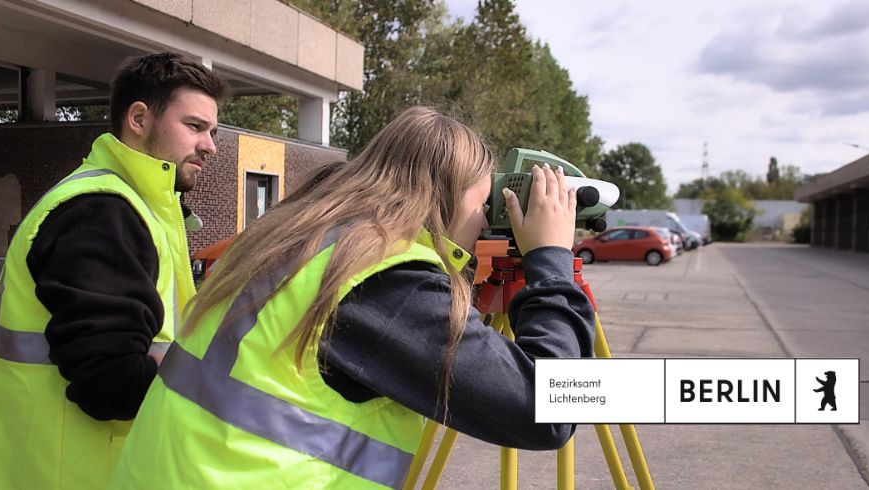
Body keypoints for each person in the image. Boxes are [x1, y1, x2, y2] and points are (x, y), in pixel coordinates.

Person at [109, 106, 596, 489]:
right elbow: (547, 408)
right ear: (446, 198)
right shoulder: (386, 280)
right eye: (483, 201)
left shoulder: (305, 240)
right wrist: (550, 258)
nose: (484, 220)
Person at [0, 52, 229, 489]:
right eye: (195, 126)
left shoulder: (128, 205)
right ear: (138, 118)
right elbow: (109, 382)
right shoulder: (102, 212)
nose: (210, 145)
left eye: (212, 131)